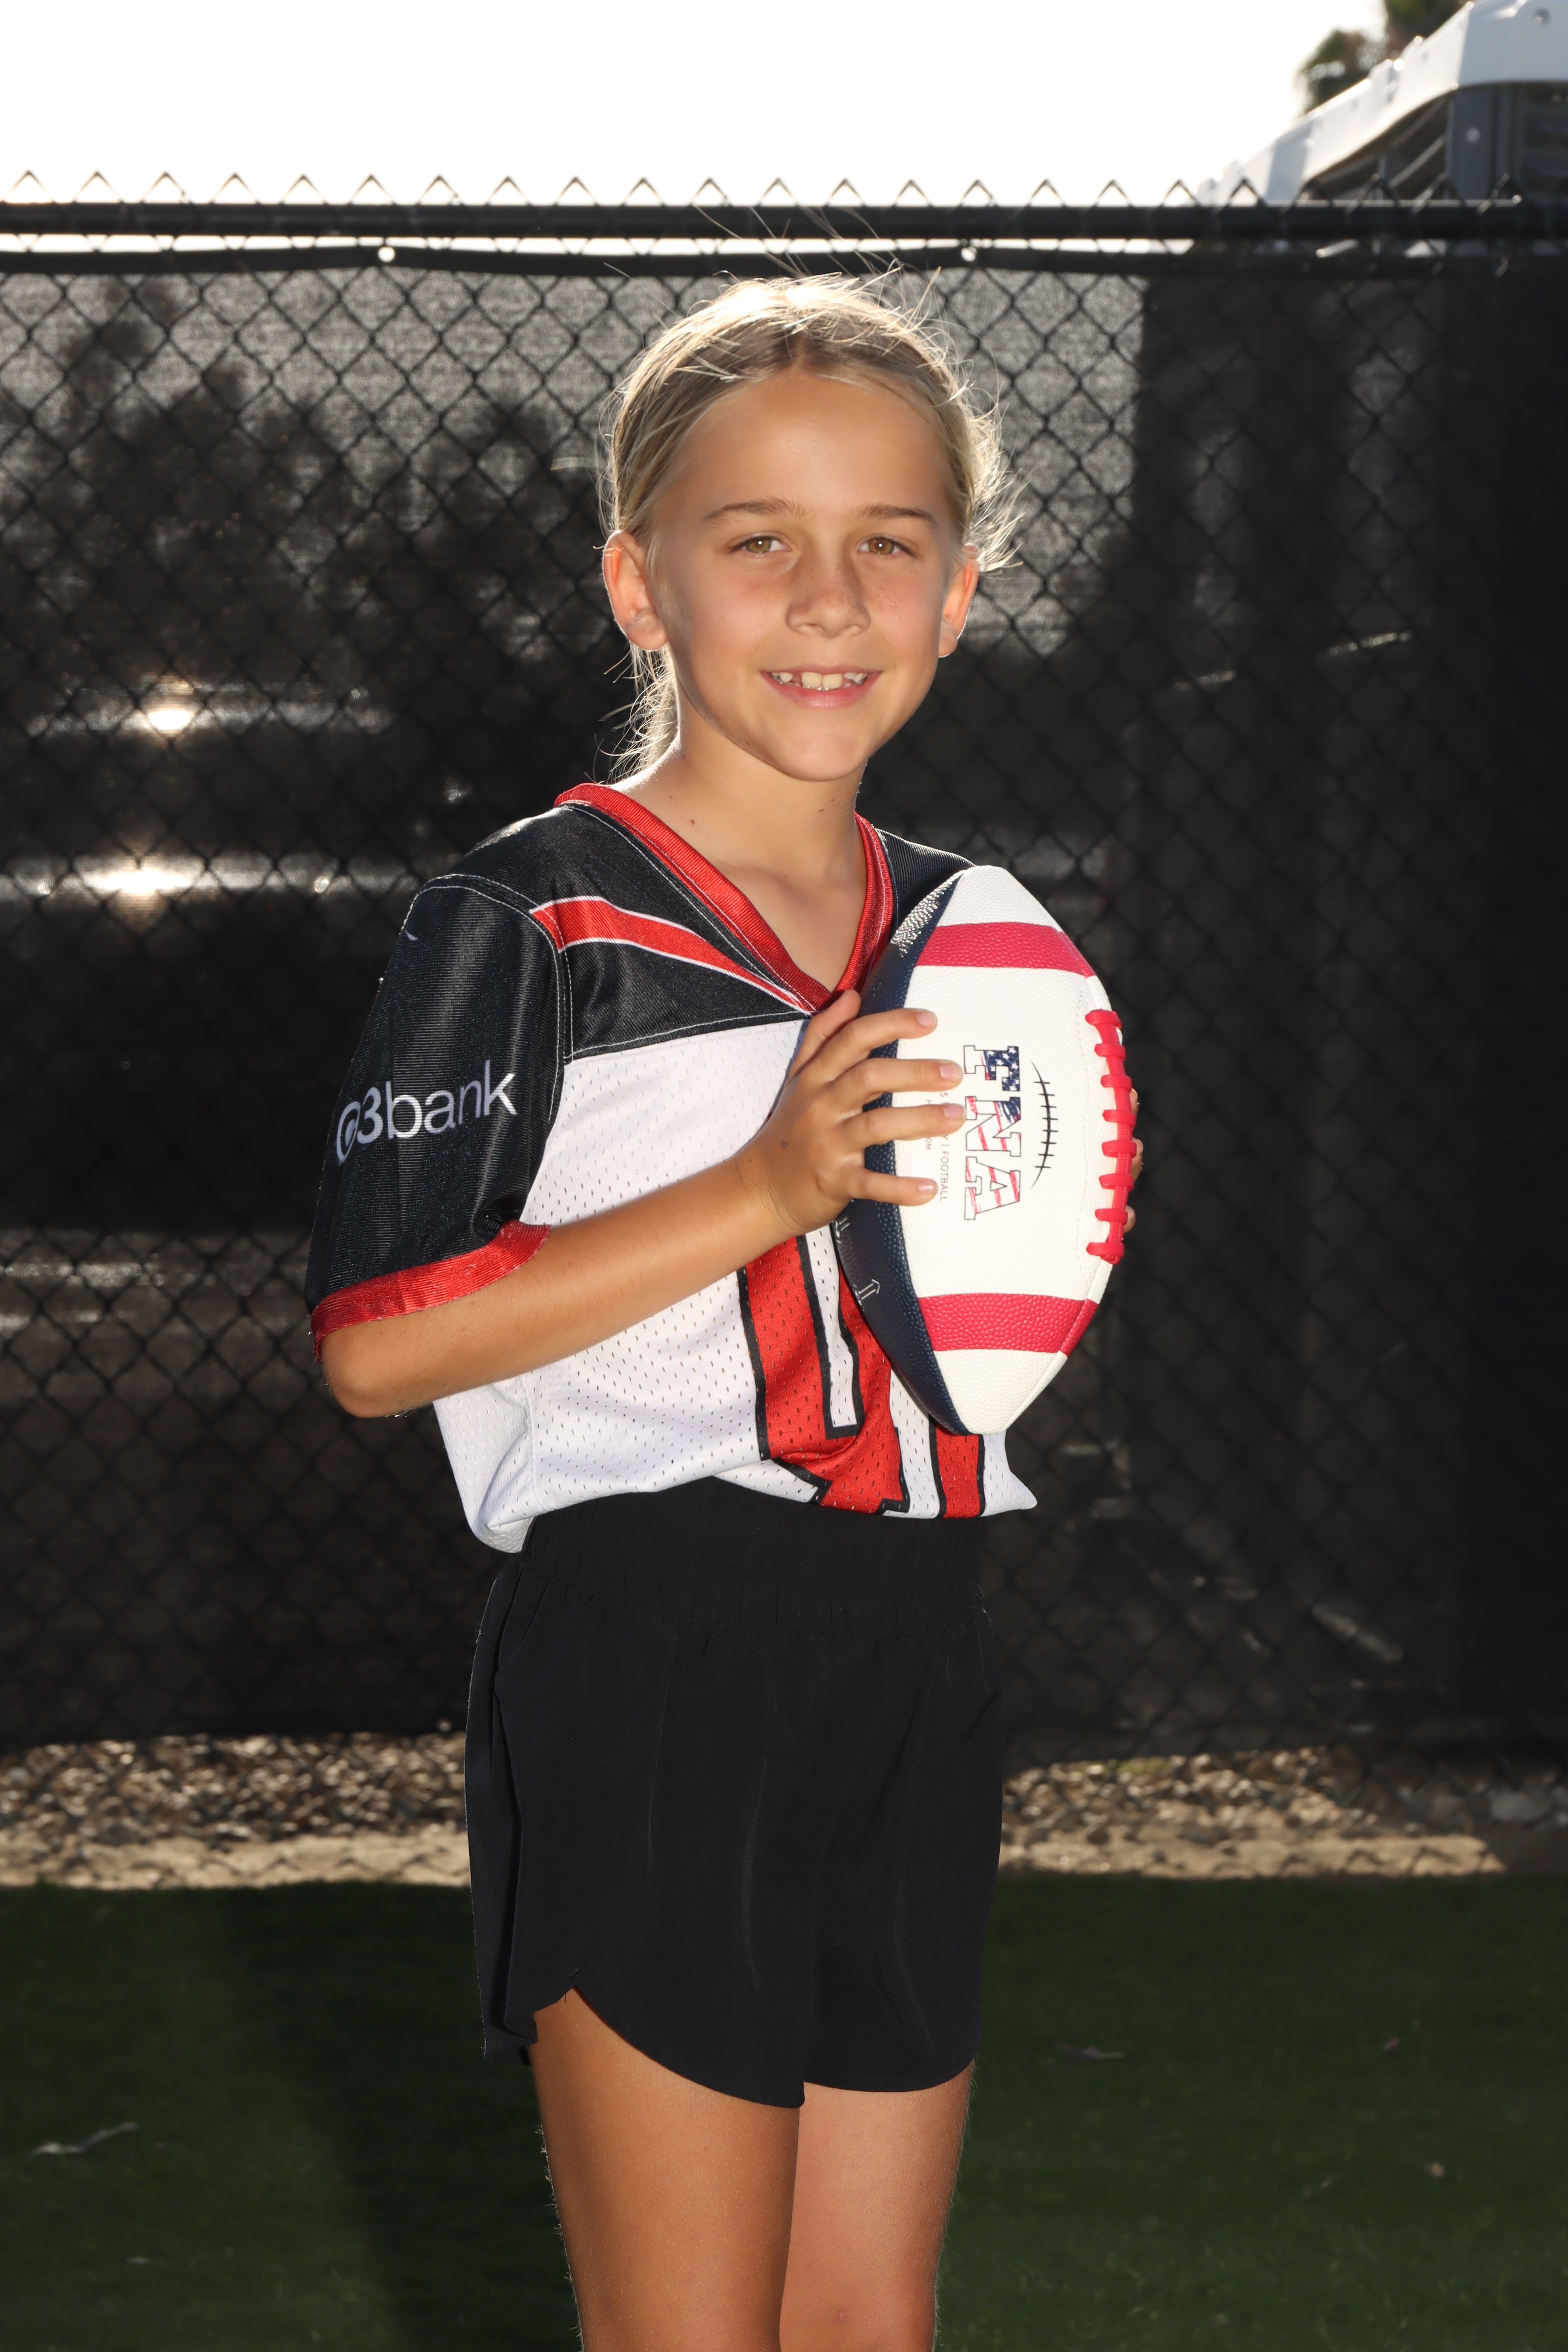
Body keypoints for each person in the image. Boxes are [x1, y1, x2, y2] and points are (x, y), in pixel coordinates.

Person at [306, 276, 1139, 2352]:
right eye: (757, 538)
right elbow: (378, 1344)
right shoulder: (530, 917)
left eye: (889, 542)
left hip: (913, 1642)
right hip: (651, 1652)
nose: (828, 597)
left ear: (958, 593)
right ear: (639, 585)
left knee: (864, 2324)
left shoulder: (977, 937)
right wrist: (763, 1189)